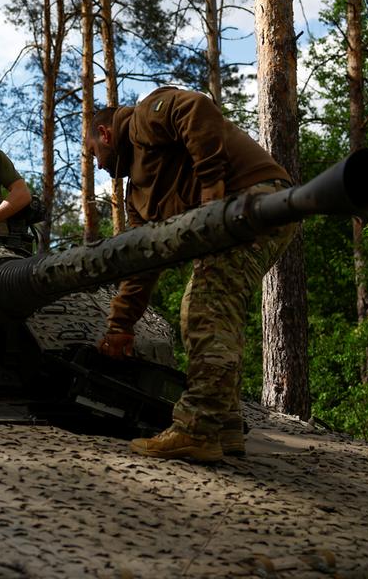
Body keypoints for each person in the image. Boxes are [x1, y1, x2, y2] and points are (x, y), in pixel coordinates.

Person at [87, 86, 296, 463]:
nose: (98, 164)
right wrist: (120, 325)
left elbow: (195, 108)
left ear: (104, 134)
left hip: (255, 199)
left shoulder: (141, 119)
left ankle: (196, 430)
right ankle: (226, 424)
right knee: (219, 308)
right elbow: (142, 259)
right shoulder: (137, 195)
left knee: (205, 306)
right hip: (249, 213)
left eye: (93, 153)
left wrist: (211, 189)